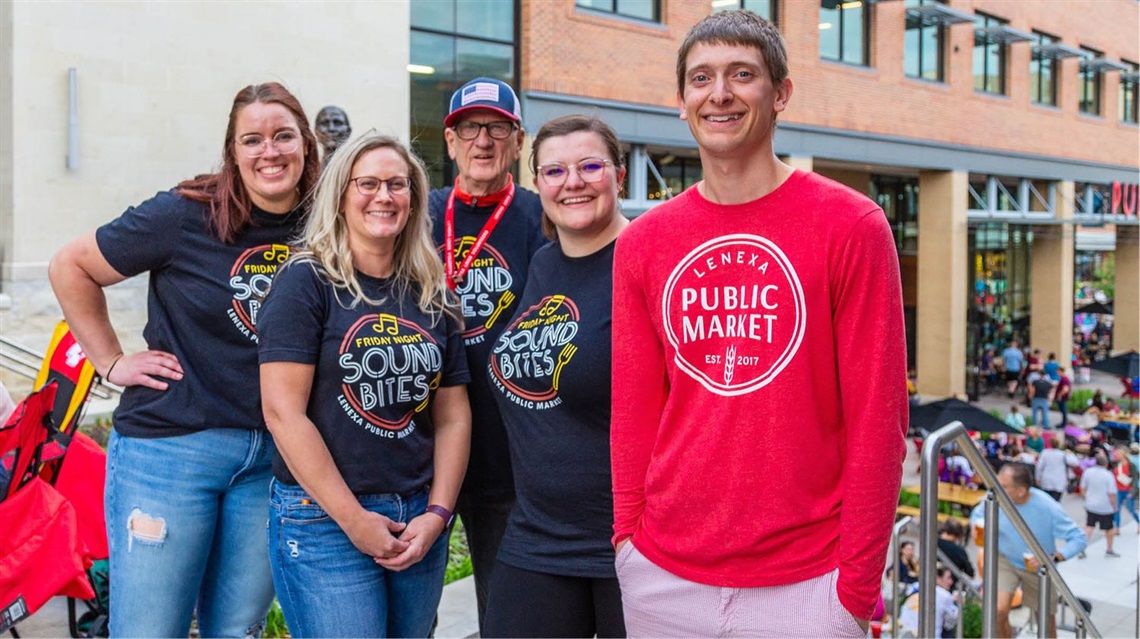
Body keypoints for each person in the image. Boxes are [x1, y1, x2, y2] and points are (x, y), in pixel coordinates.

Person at [610, 10, 907, 637]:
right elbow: (634, 410)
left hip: (809, 587)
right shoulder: (644, 243)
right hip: (662, 577)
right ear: (683, 103)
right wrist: (628, 543)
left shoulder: (851, 226)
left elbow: (880, 419)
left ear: (781, 94)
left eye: (742, 74)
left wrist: (853, 588)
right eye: (701, 78)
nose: (719, 93)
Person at [47, 83, 319, 637]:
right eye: (253, 139)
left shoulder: (326, 226)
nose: (270, 151)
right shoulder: (182, 214)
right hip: (172, 449)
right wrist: (111, 361)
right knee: (149, 628)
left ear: (306, 144)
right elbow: (70, 266)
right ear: (233, 150)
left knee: (235, 629)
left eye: (283, 136)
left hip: (275, 457)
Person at [258, 133, 472, 637]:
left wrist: (439, 514)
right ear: (341, 194)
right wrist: (355, 520)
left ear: (414, 199)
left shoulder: (431, 289)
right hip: (325, 520)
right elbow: (283, 413)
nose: (384, 196)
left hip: (418, 515)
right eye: (368, 183)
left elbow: (454, 415)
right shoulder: (305, 282)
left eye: (397, 185)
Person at [482, 115, 628, 638]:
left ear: (619, 175)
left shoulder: (648, 263)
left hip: (629, 546)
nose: (573, 182)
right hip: (536, 536)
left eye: (590, 166)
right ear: (537, 183)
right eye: (554, 171)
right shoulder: (543, 266)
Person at [428, 76, 546, 631]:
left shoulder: (544, 217)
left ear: (518, 142)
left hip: (507, 460)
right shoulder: (412, 214)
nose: (483, 140)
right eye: (469, 127)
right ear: (449, 141)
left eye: (498, 128)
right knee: (406, 616)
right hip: (416, 456)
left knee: (504, 617)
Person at [971, 462, 1086, 638]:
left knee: (1046, 624)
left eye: (1004, 486)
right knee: (997, 611)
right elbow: (978, 515)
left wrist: (1053, 558)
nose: (996, 489)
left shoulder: (1047, 507)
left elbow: (1079, 538)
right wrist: (975, 527)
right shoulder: (995, 497)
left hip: (1039, 566)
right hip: (1005, 559)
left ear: (1021, 491)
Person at [897, 565, 959, 639]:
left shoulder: (914, 587)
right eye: (948, 578)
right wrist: (956, 603)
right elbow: (950, 624)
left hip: (904, 634)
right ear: (937, 578)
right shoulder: (944, 595)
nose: (951, 582)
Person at [1078, 452, 1119, 559]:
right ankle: (1109, 550)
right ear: (1106, 464)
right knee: (1109, 529)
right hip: (1105, 507)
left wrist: (1086, 499)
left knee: (1089, 526)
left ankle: (1081, 549)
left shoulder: (1088, 472)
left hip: (1091, 505)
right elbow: (1112, 494)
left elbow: (1082, 488)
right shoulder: (1108, 475)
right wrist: (1114, 506)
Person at [1035, 436, 1078, 501]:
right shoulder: (1063, 454)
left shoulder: (1045, 453)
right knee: (1055, 501)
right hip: (1059, 481)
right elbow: (1075, 463)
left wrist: (1037, 477)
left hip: (1046, 480)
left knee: (1046, 500)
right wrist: (1070, 453)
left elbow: (1039, 466)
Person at [936, 520, 974, 590]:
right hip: (949, 589)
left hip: (928, 585)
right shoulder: (959, 551)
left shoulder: (930, 544)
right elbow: (970, 572)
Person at [1111, 445, 1139, 530]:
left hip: (1128, 490)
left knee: (1131, 509)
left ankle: (1138, 522)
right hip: (1117, 490)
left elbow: (1135, 479)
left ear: (1123, 454)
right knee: (1116, 509)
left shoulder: (1131, 465)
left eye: (1118, 453)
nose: (1117, 455)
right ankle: (1117, 527)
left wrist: (1132, 492)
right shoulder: (1115, 464)